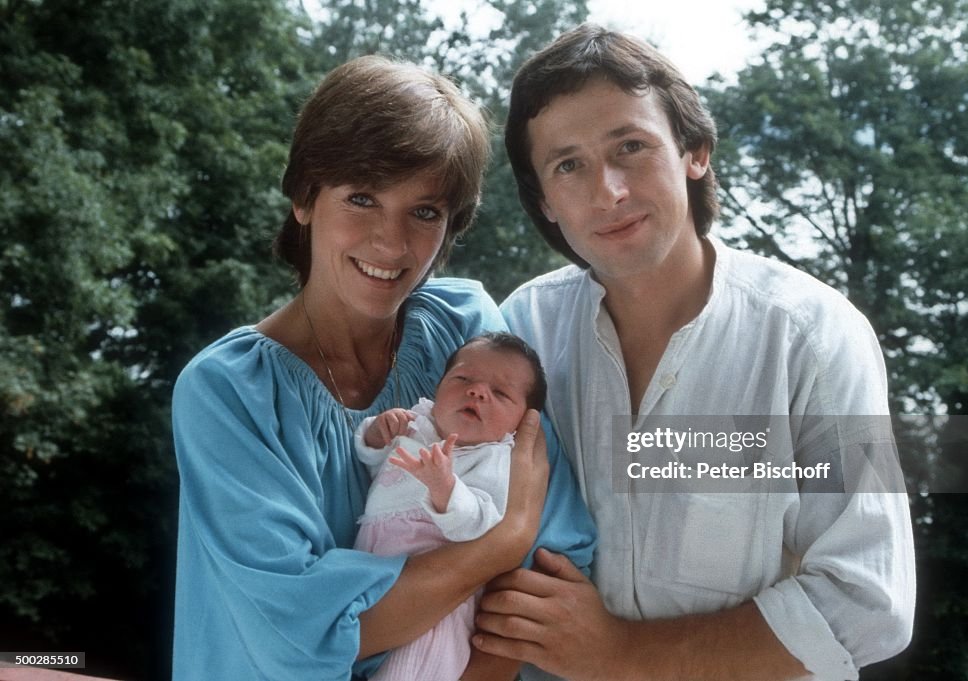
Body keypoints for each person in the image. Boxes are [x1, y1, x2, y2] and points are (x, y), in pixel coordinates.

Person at [475, 23, 916, 681]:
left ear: (694, 151)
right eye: (569, 164)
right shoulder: (522, 330)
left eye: (631, 146)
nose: (609, 192)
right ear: (544, 199)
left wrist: (621, 653)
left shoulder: (815, 336)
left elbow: (867, 598)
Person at [171, 56, 595, 681]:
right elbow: (293, 632)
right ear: (304, 197)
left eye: (425, 212)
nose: (391, 243)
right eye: (362, 198)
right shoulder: (229, 392)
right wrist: (500, 540)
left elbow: (556, 553)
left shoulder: (465, 328)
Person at [353, 332, 548, 681]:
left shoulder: (496, 457)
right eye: (463, 379)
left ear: (519, 424)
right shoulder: (416, 421)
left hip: (438, 593)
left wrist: (447, 489)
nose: (477, 392)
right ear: (439, 387)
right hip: (369, 566)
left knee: (417, 664)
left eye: (500, 393)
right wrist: (376, 434)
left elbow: (482, 521)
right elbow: (373, 465)